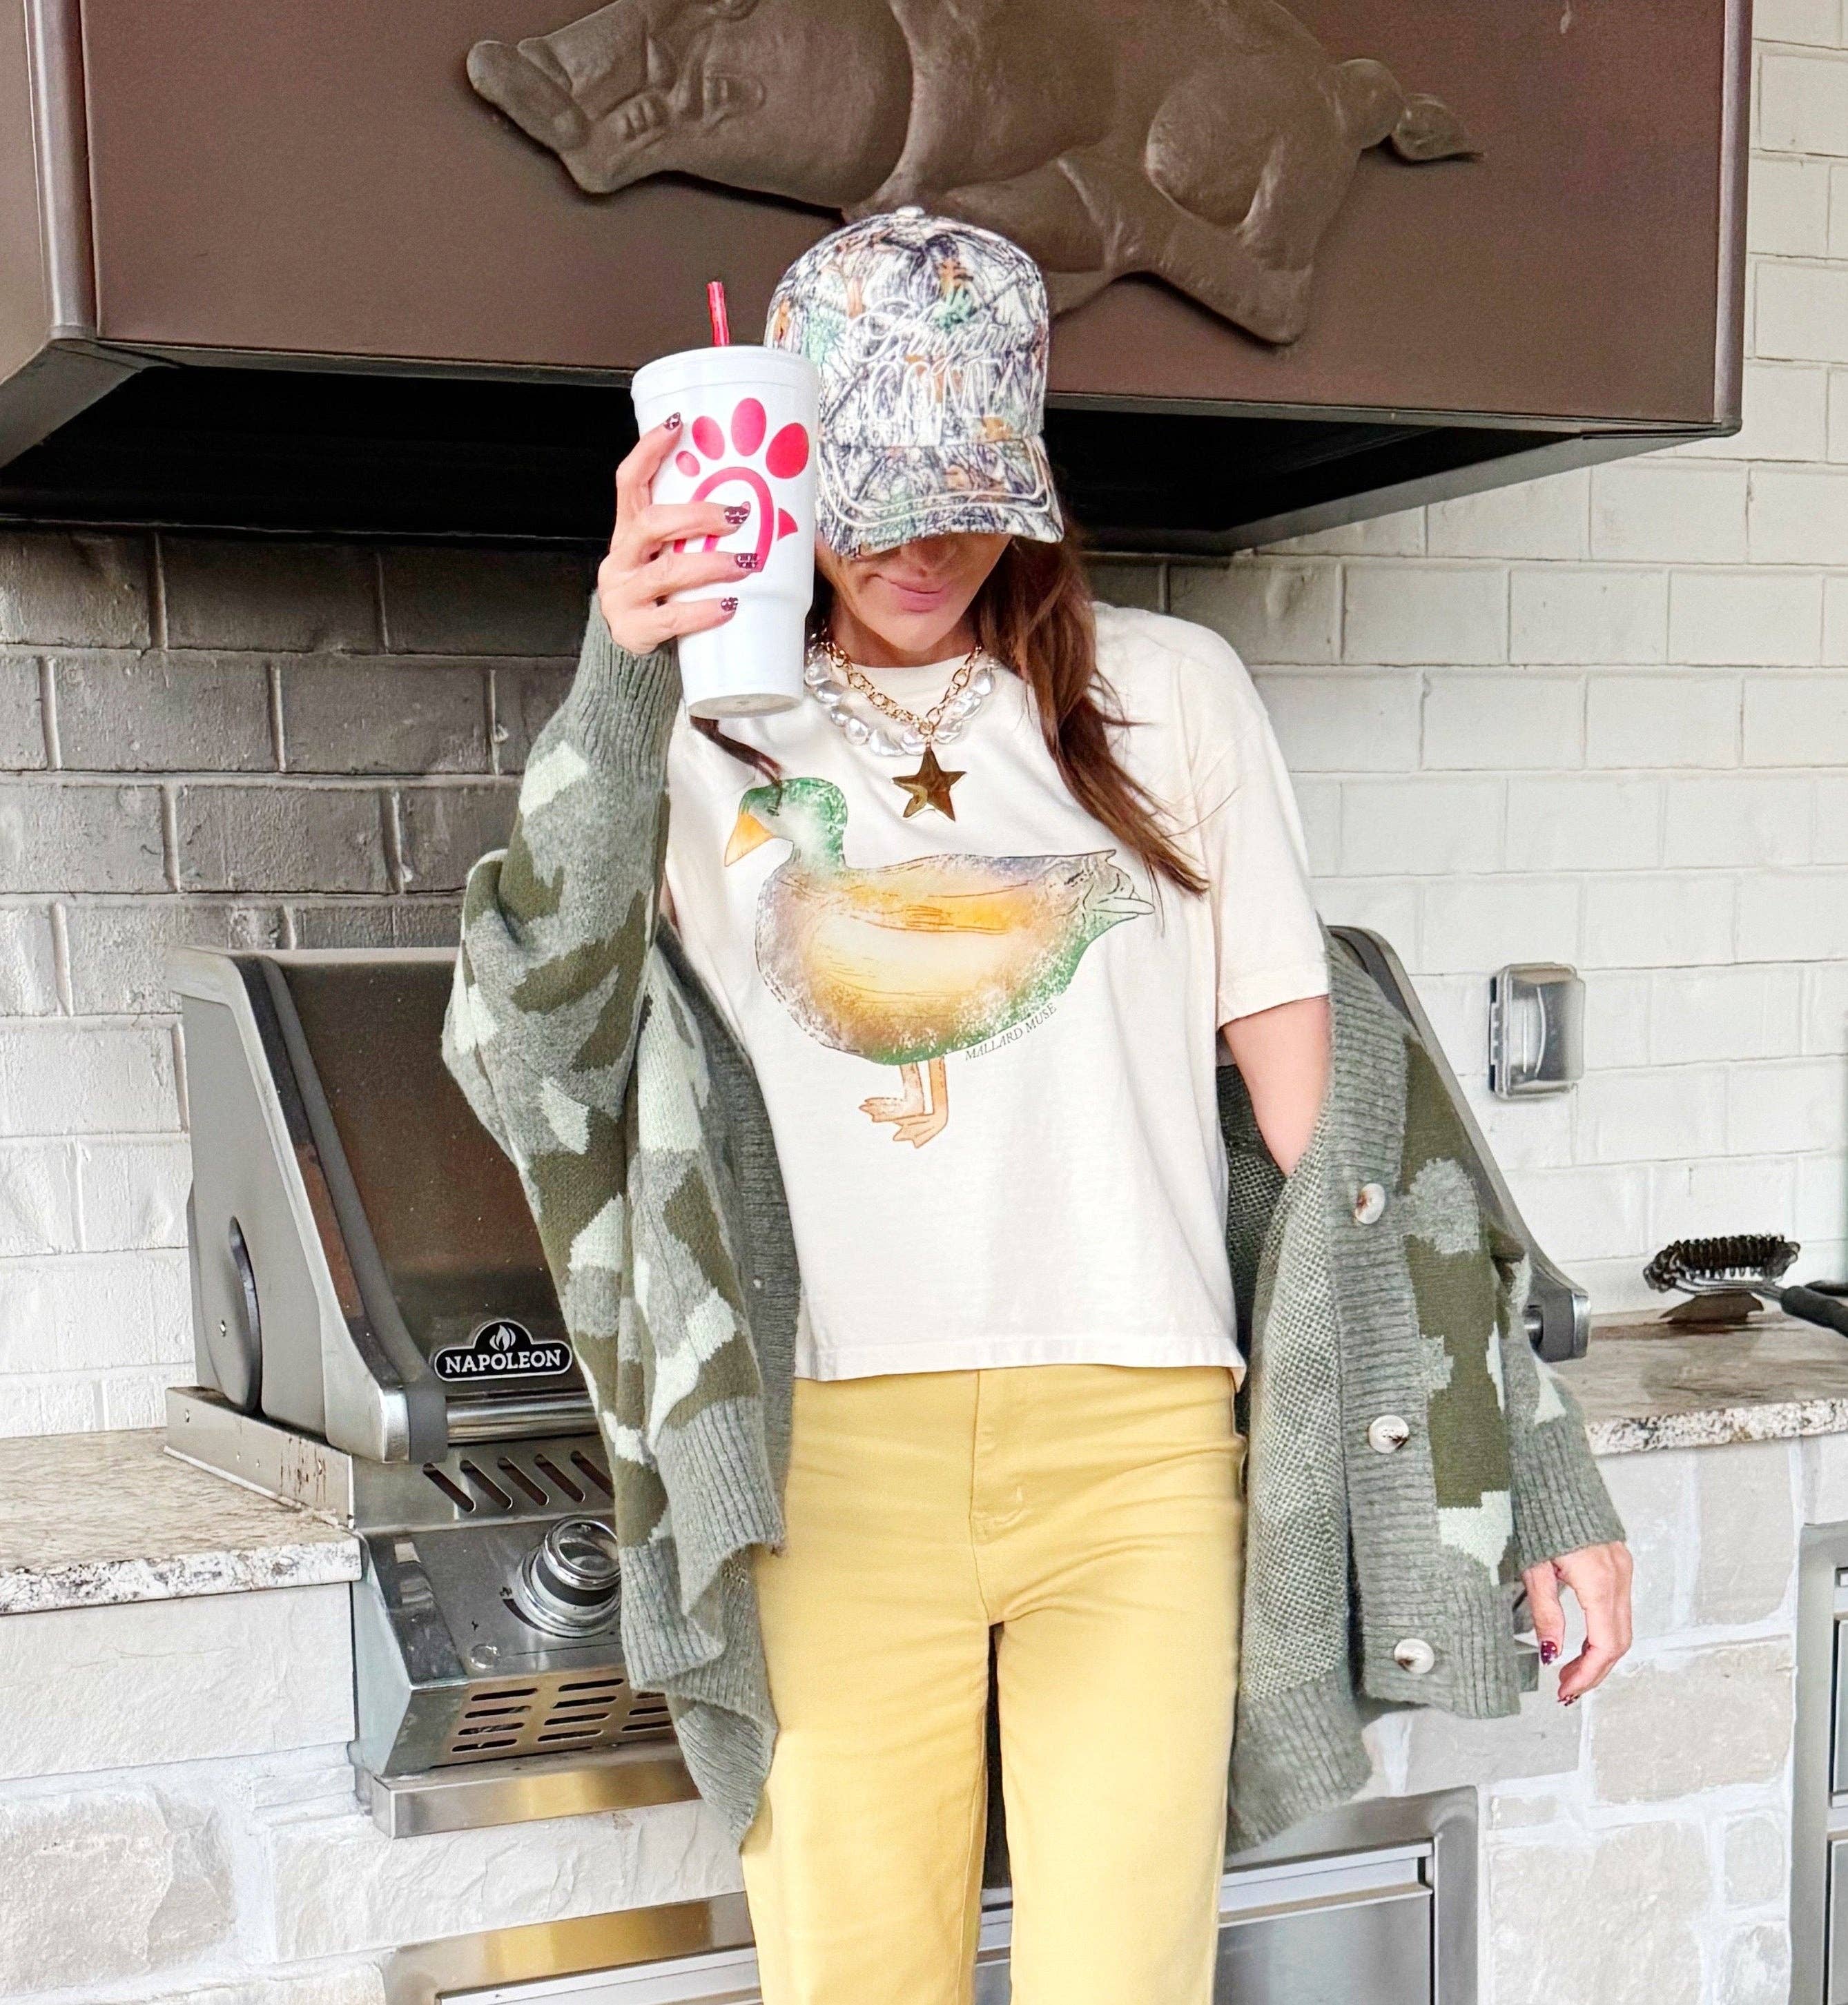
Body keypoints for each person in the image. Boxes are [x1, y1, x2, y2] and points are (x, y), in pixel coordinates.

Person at [444, 210, 1631, 2005]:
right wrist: (624, 660)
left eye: (967, 493)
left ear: (1030, 476)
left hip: (1142, 1449)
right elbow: (532, 1039)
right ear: (789, 471)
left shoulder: (1172, 696)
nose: (924, 547)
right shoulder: (698, 732)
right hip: (830, 1461)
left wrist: (1540, 1465)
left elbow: (1347, 1149)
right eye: (875, 495)